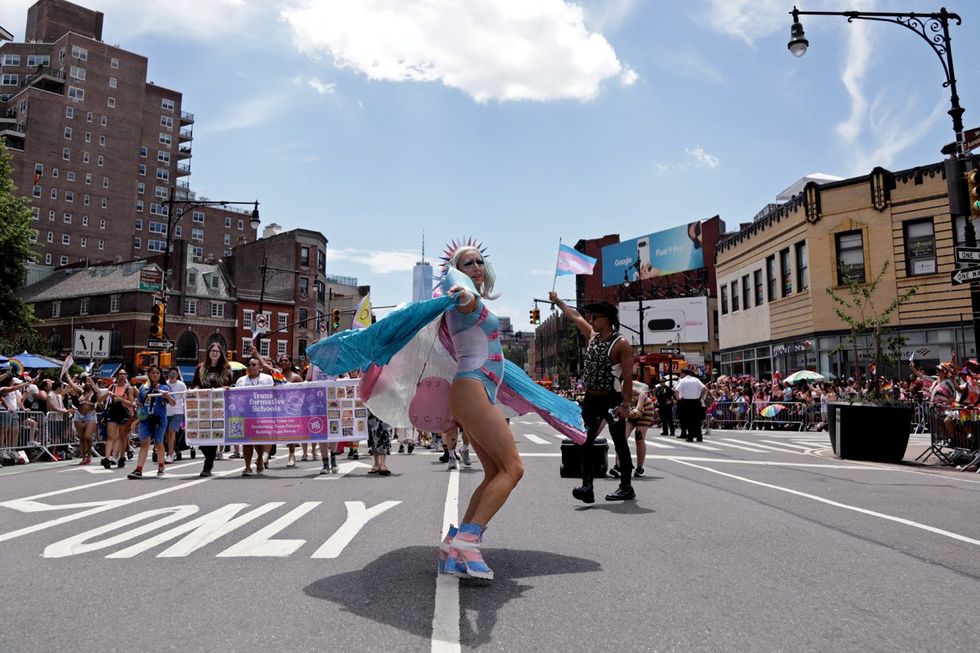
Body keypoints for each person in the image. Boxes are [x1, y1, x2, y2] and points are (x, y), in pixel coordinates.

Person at [549, 292, 635, 503]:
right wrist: (558, 301)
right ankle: (587, 487)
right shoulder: (593, 336)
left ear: (606, 319)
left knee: (619, 442)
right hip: (591, 399)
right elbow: (575, 317)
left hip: (612, 400)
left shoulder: (621, 344)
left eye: (595, 318)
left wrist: (625, 404)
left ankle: (626, 486)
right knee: (584, 441)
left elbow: (628, 377)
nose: (591, 321)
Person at [191, 343, 234, 477]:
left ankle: (207, 465)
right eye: (212, 351)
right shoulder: (200, 368)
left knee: (214, 434)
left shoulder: (226, 370)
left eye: (217, 351)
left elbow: (229, 387)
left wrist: (226, 389)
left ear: (221, 354)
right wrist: (193, 390)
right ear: (208, 352)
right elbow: (196, 384)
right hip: (202, 406)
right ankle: (209, 456)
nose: (214, 353)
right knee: (202, 436)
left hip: (218, 407)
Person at [127, 365, 175, 479]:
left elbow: (173, 402)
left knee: (159, 443)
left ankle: (161, 464)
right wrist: (138, 407)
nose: (155, 375)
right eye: (152, 373)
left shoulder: (164, 387)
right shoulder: (144, 388)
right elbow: (139, 402)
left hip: (159, 419)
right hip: (146, 419)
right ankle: (139, 469)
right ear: (149, 374)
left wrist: (167, 396)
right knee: (144, 442)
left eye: (157, 373)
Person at [235, 356, 273, 476]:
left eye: (254, 365)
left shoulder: (267, 379)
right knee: (246, 442)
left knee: (258, 441)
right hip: (245, 414)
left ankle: (260, 459)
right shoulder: (241, 380)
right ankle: (247, 467)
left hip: (261, 414)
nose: (251, 367)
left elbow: (273, 393)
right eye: (249, 365)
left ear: (260, 367)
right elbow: (236, 397)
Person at [65, 373, 106, 465]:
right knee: (82, 438)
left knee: (87, 436)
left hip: (90, 416)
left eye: (89, 382)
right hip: (79, 415)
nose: (87, 383)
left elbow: (98, 392)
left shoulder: (95, 393)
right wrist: (67, 374)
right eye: (86, 382)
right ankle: (84, 457)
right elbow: (72, 384)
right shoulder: (81, 391)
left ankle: (89, 455)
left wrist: (91, 381)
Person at [102, 369, 136, 469]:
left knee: (122, 436)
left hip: (123, 413)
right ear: (117, 375)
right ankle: (107, 458)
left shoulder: (129, 388)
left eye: (124, 374)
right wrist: (107, 394)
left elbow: (131, 403)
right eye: (120, 374)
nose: (122, 376)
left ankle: (121, 457)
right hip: (113, 412)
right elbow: (101, 400)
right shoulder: (112, 386)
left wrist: (121, 399)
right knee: (110, 436)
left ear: (126, 376)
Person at [626, 382, 655, 477]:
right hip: (631, 410)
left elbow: (642, 394)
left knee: (639, 437)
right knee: (622, 437)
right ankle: (619, 466)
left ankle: (639, 468)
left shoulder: (623, 384)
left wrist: (638, 408)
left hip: (645, 407)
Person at [674, 368, 707, 442]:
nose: (680, 374)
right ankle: (699, 436)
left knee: (688, 420)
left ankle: (690, 436)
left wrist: (678, 399)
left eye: (681, 373)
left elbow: (676, 390)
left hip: (686, 402)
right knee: (697, 420)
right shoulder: (696, 379)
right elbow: (705, 388)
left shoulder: (683, 380)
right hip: (696, 401)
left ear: (684, 374)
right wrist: (700, 398)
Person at [164, 367, 186, 463]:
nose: (172, 374)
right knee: (167, 434)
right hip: (166, 412)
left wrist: (186, 412)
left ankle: (170, 453)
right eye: (171, 373)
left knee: (171, 431)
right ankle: (173, 450)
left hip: (178, 412)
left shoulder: (181, 385)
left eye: (174, 373)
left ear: (177, 375)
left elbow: (185, 398)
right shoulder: (165, 384)